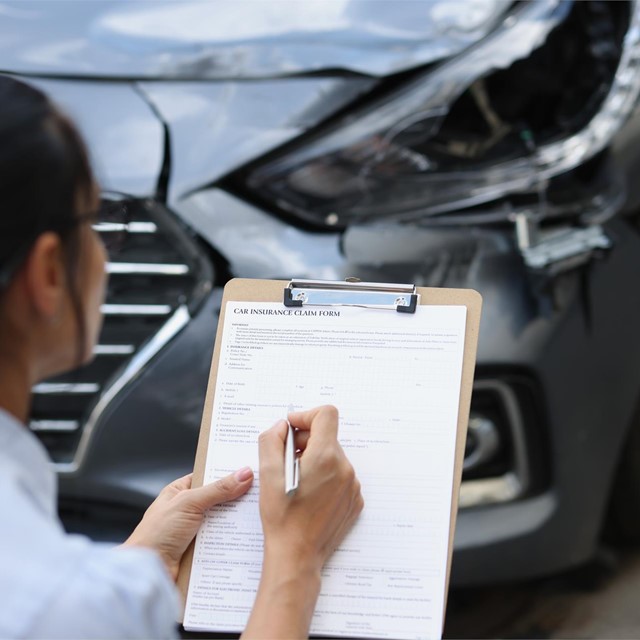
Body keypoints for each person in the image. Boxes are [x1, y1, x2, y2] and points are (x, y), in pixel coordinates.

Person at [0, 75, 363, 639]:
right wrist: (297, 554)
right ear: (48, 273)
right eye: (97, 223)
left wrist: (141, 558)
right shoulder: (66, 600)